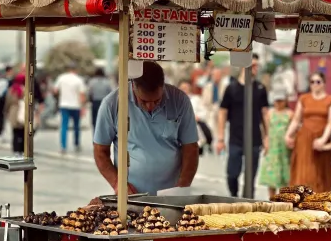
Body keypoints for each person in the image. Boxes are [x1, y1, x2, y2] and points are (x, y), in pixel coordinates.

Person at [94, 61, 199, 195]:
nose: (151, 106)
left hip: (171, 194)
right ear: (133, 86)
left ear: (163, 86)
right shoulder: (112, 104)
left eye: (157, 100)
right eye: (143, 101)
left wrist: (182, 187)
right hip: (131, 195)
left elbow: (191, 148)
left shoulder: (180, 100)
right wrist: (117, 183)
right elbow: (100, 150)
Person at [217, 54, 269, 198]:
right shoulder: (231, 88)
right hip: (236, 139)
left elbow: (265, 114)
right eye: (252, 66)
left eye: (257, 66)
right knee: (232, 174)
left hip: (254, 139)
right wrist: (220, 138)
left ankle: (248, 205)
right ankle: (234, 196)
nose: (255, 69)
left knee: (250, 178)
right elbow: (222, 113)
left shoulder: (260, 88)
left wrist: (266, 137)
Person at [285, 72, 331, 194]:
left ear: (324, 83)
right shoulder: (304, 99)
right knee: (304, 170)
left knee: (321, 171)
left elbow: (330, 122)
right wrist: (288, 135)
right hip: (305, 138)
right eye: (312, 82)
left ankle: (319, 199)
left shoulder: (330, 100)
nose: (315, 84)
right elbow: (297, 119)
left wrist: (323, 139)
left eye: (318, 81)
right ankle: (302, 199)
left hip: (320, 139)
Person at [258, 90, 293, 198]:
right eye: (276, 101)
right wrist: (266, 142)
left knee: (285, 176)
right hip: (273, 148)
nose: (278, 103)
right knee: (272, 177)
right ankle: (272, 199)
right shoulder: (270, 113)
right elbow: (266, 130)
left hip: (284, 149)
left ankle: (284, 200)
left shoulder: (290, 114)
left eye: (281, 101)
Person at [54, 63, 86, 154]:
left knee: (64, 126)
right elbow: (82, 95)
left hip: (64, 105)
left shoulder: (61, 78)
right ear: (76, 69)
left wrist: (61, 95)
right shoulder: (79, 80)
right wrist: (83, 106)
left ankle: (63, 146)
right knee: (76, 126)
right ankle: (76, 144)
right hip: (76, 106)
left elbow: (55, 90)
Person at [179, 81, 213, 154]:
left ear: (189, 89)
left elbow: (204, 111)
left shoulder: (196, 99)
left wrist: (198, 117)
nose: (184, 90)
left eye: (186, 88)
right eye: (182, 88)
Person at [5, 73, 26, 155]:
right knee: (23, 132)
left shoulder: (11, 90)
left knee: (15, 132)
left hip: (13, 111)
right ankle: (22, 149)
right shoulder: (25, 89)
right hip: (22, 111)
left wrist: (6, 111)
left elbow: (7, 102)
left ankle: (15, 149)